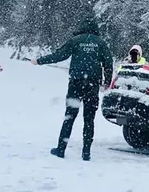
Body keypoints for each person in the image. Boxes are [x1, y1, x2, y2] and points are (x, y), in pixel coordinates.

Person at [32, 18, 113, 161]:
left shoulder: (75, 40)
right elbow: (108, 62)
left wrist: (39, 61)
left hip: (76, 82)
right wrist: (107, 81)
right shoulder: (100, 43)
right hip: (92, 84)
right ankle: (86, 152)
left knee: (69, 116)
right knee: (89, 119)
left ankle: (61, 149)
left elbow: (59, 55)